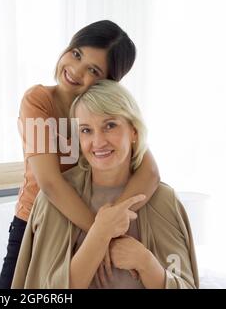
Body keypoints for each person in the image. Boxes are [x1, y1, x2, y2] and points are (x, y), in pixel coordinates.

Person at [0, 20, 160, 289]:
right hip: (35, 226)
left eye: (93, 69)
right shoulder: (38, 101)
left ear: (106, 82)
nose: (75, 70)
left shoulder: (104, 112)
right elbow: (50, 183)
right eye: (76, 54)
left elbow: (150, 172)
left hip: (86, 226)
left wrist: (110, 223)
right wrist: (102, 231)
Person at [12, 80, 199, 289]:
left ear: (134, 131)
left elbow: (185, 285)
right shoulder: (51, 203)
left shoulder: (163, 201)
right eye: (86, 130)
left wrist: (146, 263)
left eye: (110, 125)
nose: (98, 142)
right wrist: (99, 235)